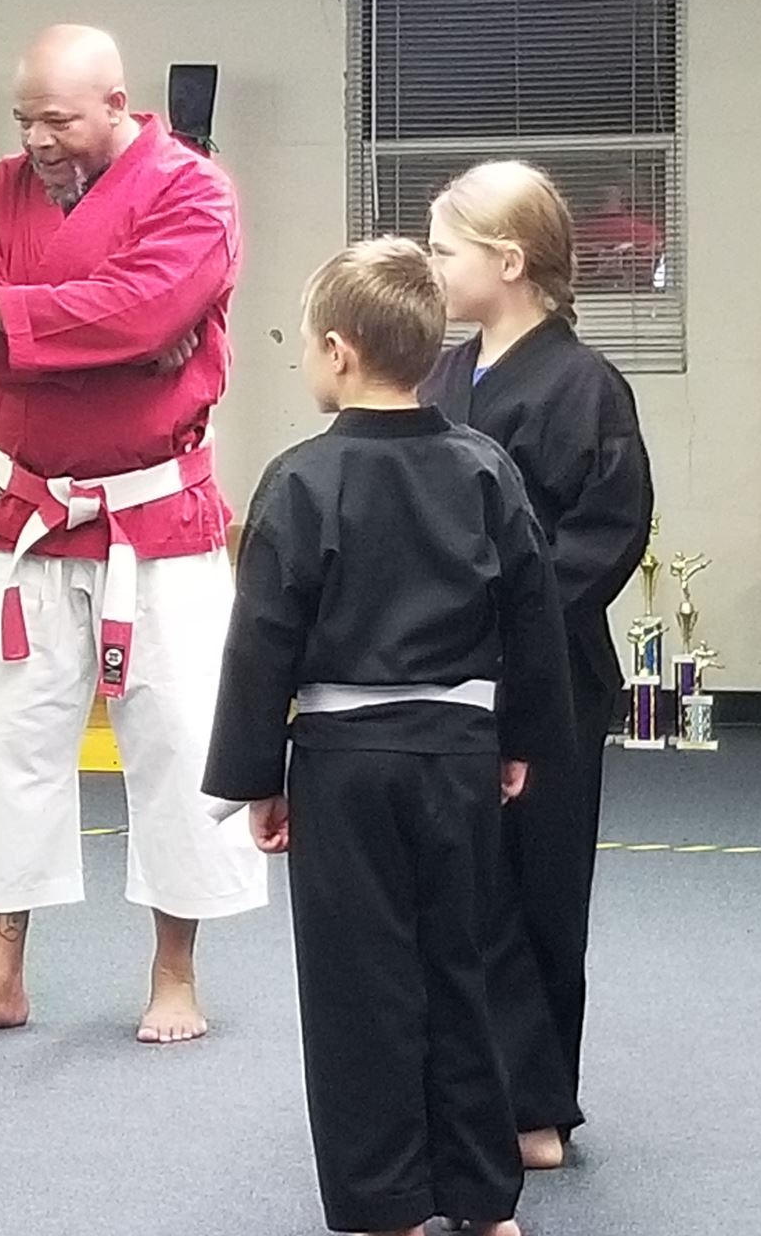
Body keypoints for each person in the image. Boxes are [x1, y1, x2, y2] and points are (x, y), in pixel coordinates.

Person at [0, 23, 264, 1047]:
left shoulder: (193, 193)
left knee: (178, 743)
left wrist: (14, 314)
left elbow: (147, 311)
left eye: (57, 119)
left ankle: (174, 973)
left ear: (116, 104)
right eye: (23, 119)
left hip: (157, 516)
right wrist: (96, 340)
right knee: (11, 746)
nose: (36, 140)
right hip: (32, 513)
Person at [206, 237, 566, 1236]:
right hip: (458, 754)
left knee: (357, 985)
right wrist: (519, 737)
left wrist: (256, 773)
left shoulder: (299, 479)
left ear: (337, 351)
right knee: (462, 969)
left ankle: (387, 1204)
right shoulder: (484, 468)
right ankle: (483, 1200)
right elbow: (532, 617)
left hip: (343, 764)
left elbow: (261, 639)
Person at [422, 160, 655, 1169]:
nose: (431, 267)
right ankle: (460, 1088)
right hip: (438, 672)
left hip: (544, 675)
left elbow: (607, 531)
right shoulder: (437, 376)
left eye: (445, 249)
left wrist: (500, 612)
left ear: (508, 260)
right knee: (454, 889)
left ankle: (537, 1106)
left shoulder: (584, 385)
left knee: (538, 887)